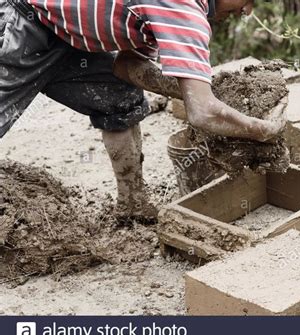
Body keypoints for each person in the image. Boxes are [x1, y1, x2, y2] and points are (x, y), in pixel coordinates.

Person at [0, 0, 284, 220]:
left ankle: (132, 204)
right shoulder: (184, 9)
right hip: (19, 24)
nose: (247, 10)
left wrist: (190, 90)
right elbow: (203, 114)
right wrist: (262, 131)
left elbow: (127, 67)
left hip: (62, 36)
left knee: (119, 98)